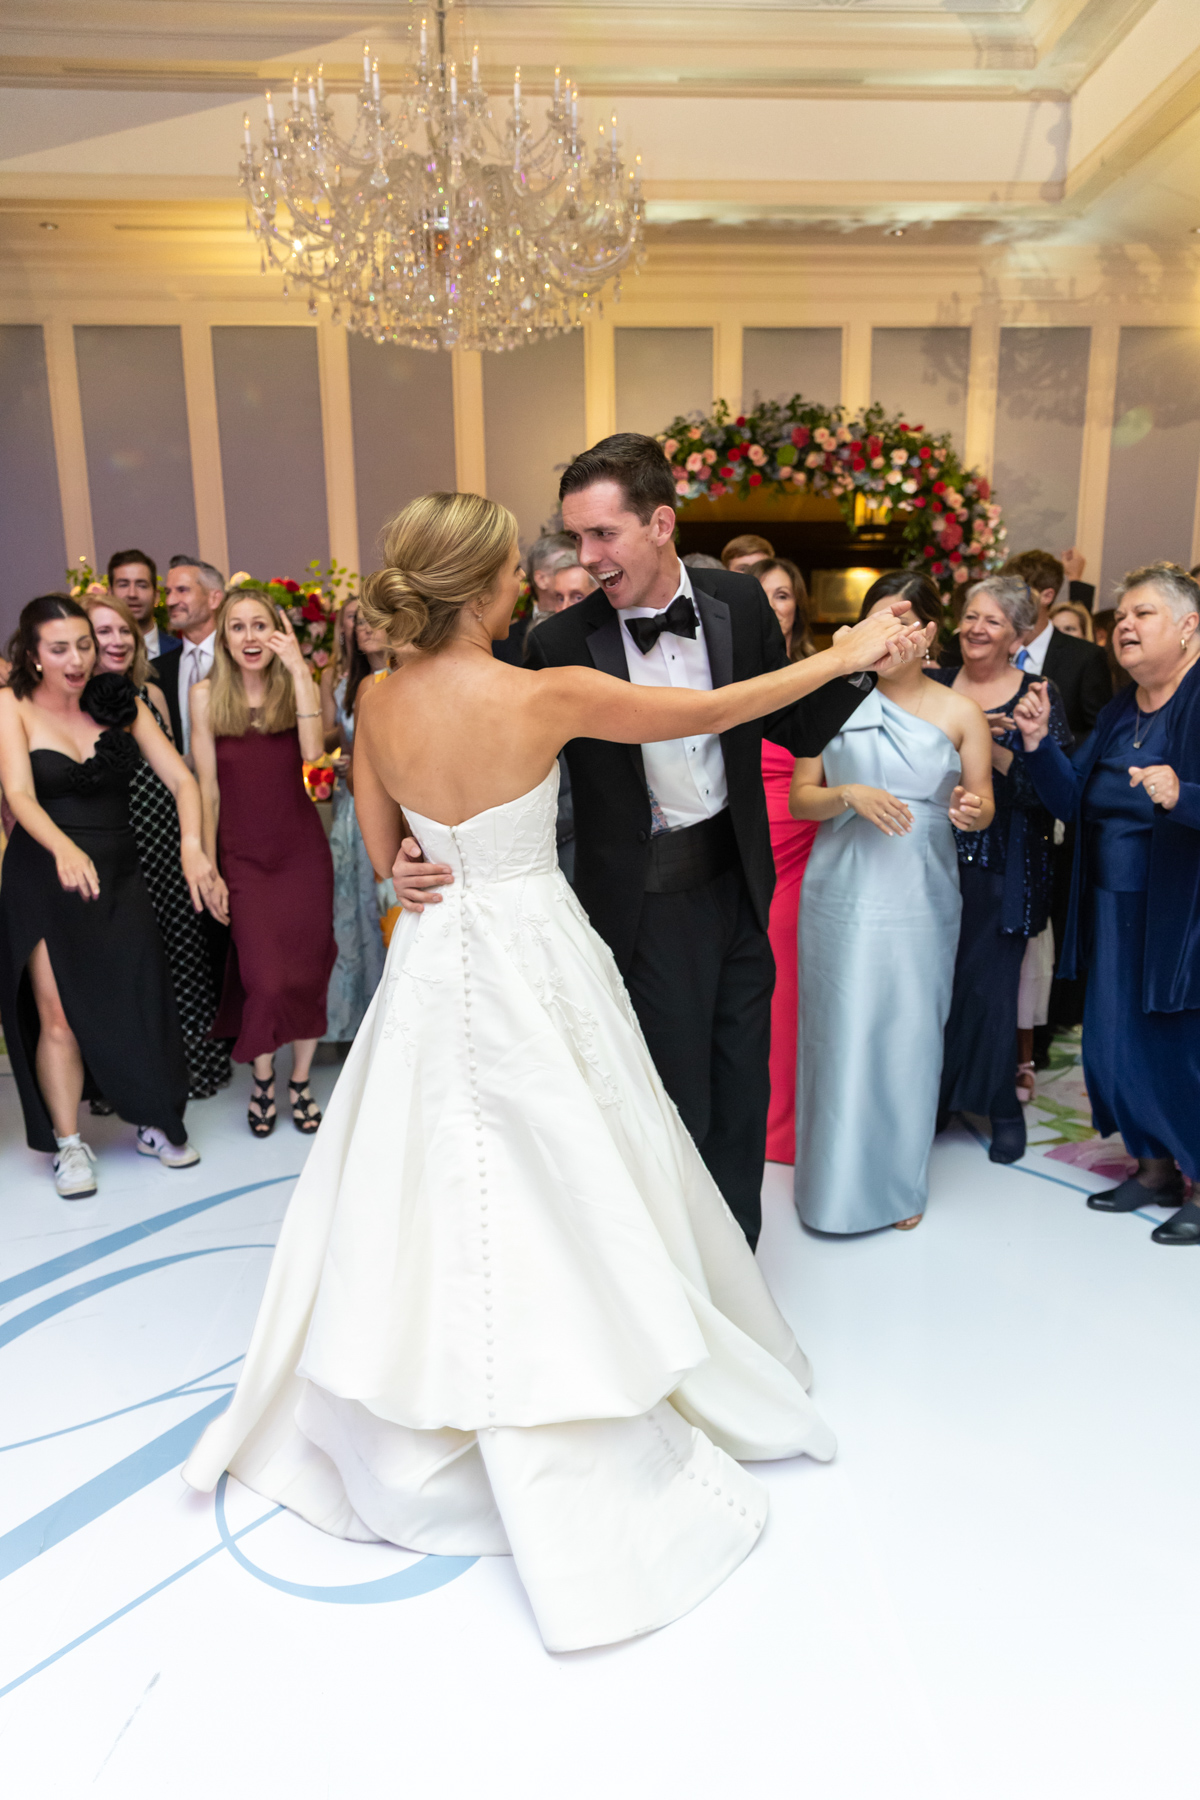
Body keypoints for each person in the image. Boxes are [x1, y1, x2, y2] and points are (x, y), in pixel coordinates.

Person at [183, 488, 921, 1654]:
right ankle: (590, 1355)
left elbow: (386, 857)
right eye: (517, 572)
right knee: (585, 1148)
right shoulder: (546, 693)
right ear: (488, 587)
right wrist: (847, 652)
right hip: (538, 945)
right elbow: (718, 708)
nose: (533, 582)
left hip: (436, 959)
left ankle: (423, 1367)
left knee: (423, 1169)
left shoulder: (379, 701)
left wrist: (411, 873)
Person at [394, 434, 924, 1250]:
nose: (586, 557)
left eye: (603, 534)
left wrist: (863, 667)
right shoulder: (556, 644)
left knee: (742, 1092)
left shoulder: (738, 602)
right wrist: (428, 841)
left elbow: (789, 724)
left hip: (740, 886)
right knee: (675, 1103)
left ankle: (738, 1264)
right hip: (642, 906)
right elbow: (490, 754)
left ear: (661, 524)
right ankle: (678, 1272)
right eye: (576, 536)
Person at [790, 572, 993, 1231]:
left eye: (902, 621)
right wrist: (847, 794)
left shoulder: (960, 712)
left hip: (921, 893)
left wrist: (971, 811)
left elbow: (983, 804)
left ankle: (899, 1187)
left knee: (909, 1032)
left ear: (930, 630)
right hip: (840, 891)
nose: (890, 635)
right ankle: (829, 1186)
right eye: (878, 621)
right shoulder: (830, 701)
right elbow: (801, 799)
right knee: (838, 1031)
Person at [0, 596, 220, 1196]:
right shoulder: (12, 705)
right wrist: (62, 848)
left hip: (120, 872)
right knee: (58, 1016)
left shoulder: (120, 701)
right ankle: (69, 1145)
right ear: (32, 655)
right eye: (59, 649)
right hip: (43, 876)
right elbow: (18, 795)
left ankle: (152, 1120)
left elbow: (181, 779)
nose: (76, 660)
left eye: (84, 645)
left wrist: (193, 847)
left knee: (139, 998)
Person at [1013, 562, 1200, 1246]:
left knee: (1180, 1048)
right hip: (1111, 910)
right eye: (1120, 616)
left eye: (1143, 614)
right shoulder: (1122, 709)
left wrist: (1185, 796)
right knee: (1117, 1043)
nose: (1124, 625)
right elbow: (1074, 801)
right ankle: (1154, 1167)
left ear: (1189, 627)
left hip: (1182, 914)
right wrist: (1038, 745)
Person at [931, 576, 1072, 1162]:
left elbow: (1053, 796)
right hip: (933, 857)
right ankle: (938, 1097)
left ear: (1017, 636)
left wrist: (987, 744)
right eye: (970, 616)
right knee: (936, 986)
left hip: (1004, 863)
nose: (975, 629)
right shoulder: (935, 683)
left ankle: (1001, 1105)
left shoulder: (1037, 695)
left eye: (991, 621)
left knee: (990, 994)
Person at [191, 592, 336, 1137]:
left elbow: (313, 761)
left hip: (302, 855)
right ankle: (262, 1075)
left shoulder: (293, 685)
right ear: (223, 638)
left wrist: (299, 672)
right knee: (266, 979)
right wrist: (209, 865)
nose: (249, 637)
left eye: (259, 625)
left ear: (277, 632)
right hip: (244, 858)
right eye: (237, 627)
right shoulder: (205, 696)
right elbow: (206, 790)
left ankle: (298, 1081)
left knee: (307, 971)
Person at [84, 590, 232, 1098]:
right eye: (104, 631)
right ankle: (122, 1080)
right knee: (123, 965)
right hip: (113, 846)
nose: (118, 640)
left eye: (124, 630)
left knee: (180, 953)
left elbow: (175, 771)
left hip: (164, 839)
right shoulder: (72, 706)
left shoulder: (148, 693)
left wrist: (192, 843)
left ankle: (193, 1067)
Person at [747, 557, 819, 1164]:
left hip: (807, 839)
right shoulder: (730, 678)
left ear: (798, 604)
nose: (773, 606)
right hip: (747, 835)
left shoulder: (821, 673)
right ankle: (760, 1119)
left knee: (795, 984)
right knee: (754, 986)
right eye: (761, 595)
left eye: (783, 594)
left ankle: (793, 1124)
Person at [318, 599, 387, 1043]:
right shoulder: (349, 682)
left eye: (370, 620)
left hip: (395, 804)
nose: (362, 627)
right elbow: (331, 739)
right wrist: (339, 756)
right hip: (352, 803)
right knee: (355, 910)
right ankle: (360, 1022)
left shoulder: (405, 678)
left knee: (387, 907)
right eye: (356, 621)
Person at [997, 551, 1112, 745]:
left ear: (1047, 596)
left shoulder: (1084, 657)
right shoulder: (995, 648)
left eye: (1015, 594)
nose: (1004, 602)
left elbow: (1099, 732)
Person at [151, 556, 224, 755]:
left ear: (214, 599)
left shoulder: (240, 660)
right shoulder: (156, 670)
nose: (171, 601)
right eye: (168, 592)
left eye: (182, 590)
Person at [107, 548, 179, 660]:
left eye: (142, 585)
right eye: (123, 585)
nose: (132, 594)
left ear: (156, 596)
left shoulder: (180, 652)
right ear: (110, 594)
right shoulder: (98, 654)